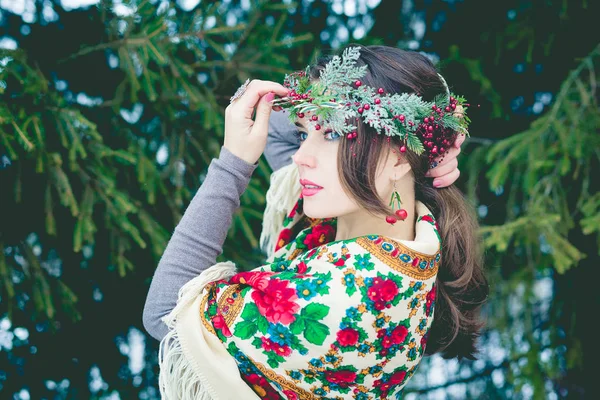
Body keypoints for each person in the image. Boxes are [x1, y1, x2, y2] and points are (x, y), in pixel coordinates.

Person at [143, 44, 488, 399]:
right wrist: (429, 136)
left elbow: (167, 314)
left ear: (398, 157)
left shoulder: (342, 298)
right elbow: (278, 127)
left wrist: (233, 162)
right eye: (304, 132)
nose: (302, 156)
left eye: (333, 134)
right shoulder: (398, 233)